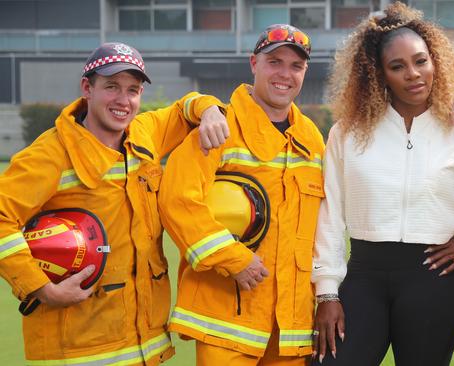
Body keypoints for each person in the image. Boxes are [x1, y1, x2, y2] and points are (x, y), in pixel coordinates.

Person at [0, 42, 228, 365]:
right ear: (86, 88)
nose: (123, 100)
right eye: (111, 87)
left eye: (132, 90)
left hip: (146, 349)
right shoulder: (50, 154)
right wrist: (42, 289)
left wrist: (209, 110)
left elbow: (183, 108)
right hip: (80, 351)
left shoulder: (144, 134)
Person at [310, 3, 454, 365]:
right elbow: (328, 214)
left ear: (435, 61)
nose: (413, 74)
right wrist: (327, 293)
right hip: (363, 275)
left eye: (420, 61)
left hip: (435, 279)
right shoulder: (347, 133)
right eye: (397, 66)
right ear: (377, 75)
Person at [157, 24, 325, 365]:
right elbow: (178, 202)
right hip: (227, 321)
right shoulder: (218, 127)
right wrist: (232, 259)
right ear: (254, 63)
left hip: (290, 328)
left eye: (296, 66)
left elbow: (322, 225)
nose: (285, 74)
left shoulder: (311, 139)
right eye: (275, 62)